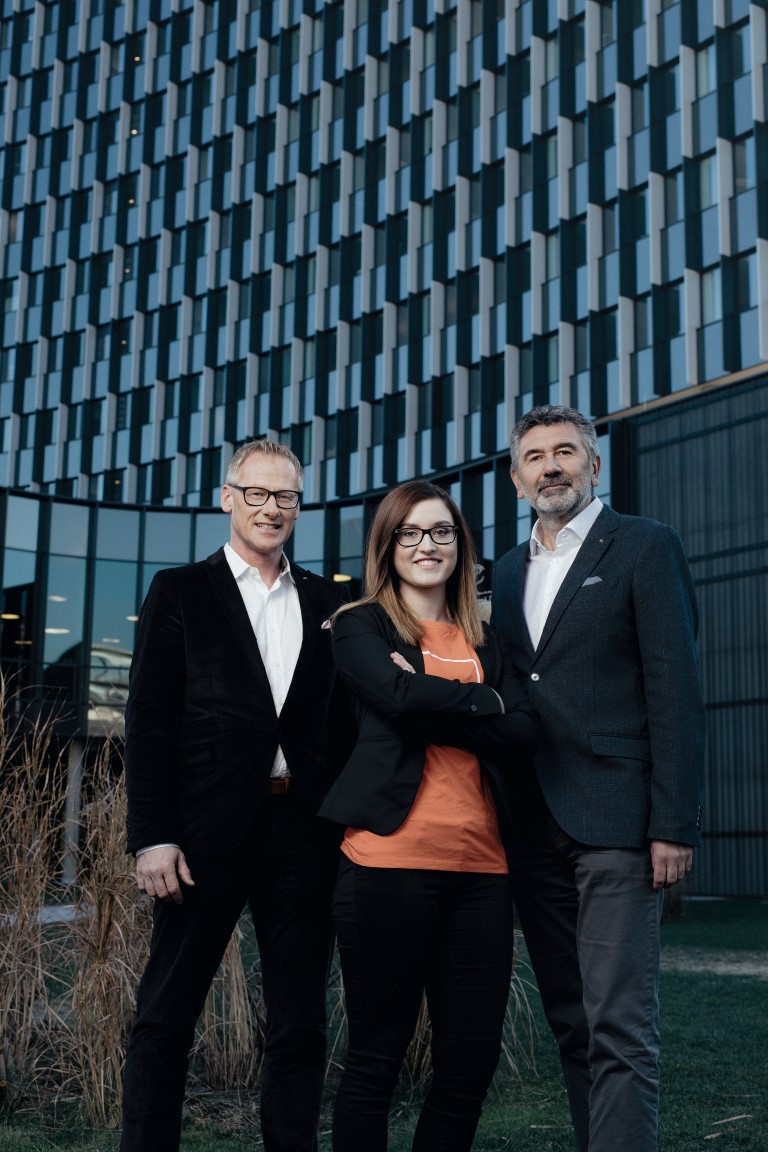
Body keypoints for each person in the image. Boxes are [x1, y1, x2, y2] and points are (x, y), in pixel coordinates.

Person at [120, 439, 347, 1152]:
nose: (271, 508)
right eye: (257, 493)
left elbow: (340, 724)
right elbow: (149, 721)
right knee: (165, 1017)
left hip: (303, 835)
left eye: (286, 496)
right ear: (227, 498)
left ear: (298, 507)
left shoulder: (329, 602)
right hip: (201, 838)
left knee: (300, 1023)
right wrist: (153, 835)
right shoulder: (180, 591)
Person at [491, 405, 705, 1152]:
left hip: (617, 818)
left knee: (619, 1023)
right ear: (516, 478)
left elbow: (674, 690)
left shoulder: (646, 545)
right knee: (571, 1020)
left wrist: (673, 823)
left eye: (565, 452)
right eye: (535, 456)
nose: (551, 466)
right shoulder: (507, 570)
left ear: (594, 464)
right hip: (532, 823)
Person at [319, 479, 538, 1152]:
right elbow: (395, 698)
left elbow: (526, 728)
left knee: (468, 1067)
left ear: (460, 546)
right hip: (387, 865)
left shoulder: (491, 641)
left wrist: (427, 695)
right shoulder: (360, 625)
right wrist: (482, 703)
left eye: (441, 531)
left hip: (483, 874)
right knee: (375, 1061)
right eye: (409, 533)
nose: (427, 545)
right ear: (388, 546)